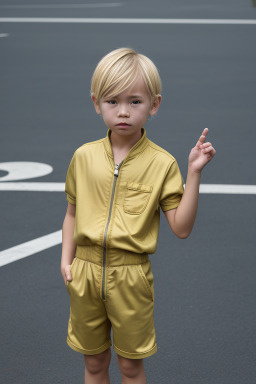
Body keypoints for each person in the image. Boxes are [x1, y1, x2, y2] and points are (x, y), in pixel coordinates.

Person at [61, 47, 216, 384]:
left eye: (135, 101)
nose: (123, 112)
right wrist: (67, 261)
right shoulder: (83, 157)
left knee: (131, 367)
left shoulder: (162, 163)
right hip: (84, 274)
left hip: (131, 278)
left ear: (154, 105)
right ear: (96, 103)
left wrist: (194, 173)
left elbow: (182, 228)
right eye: (112, 101)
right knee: (93, 363)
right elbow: (71, 213)